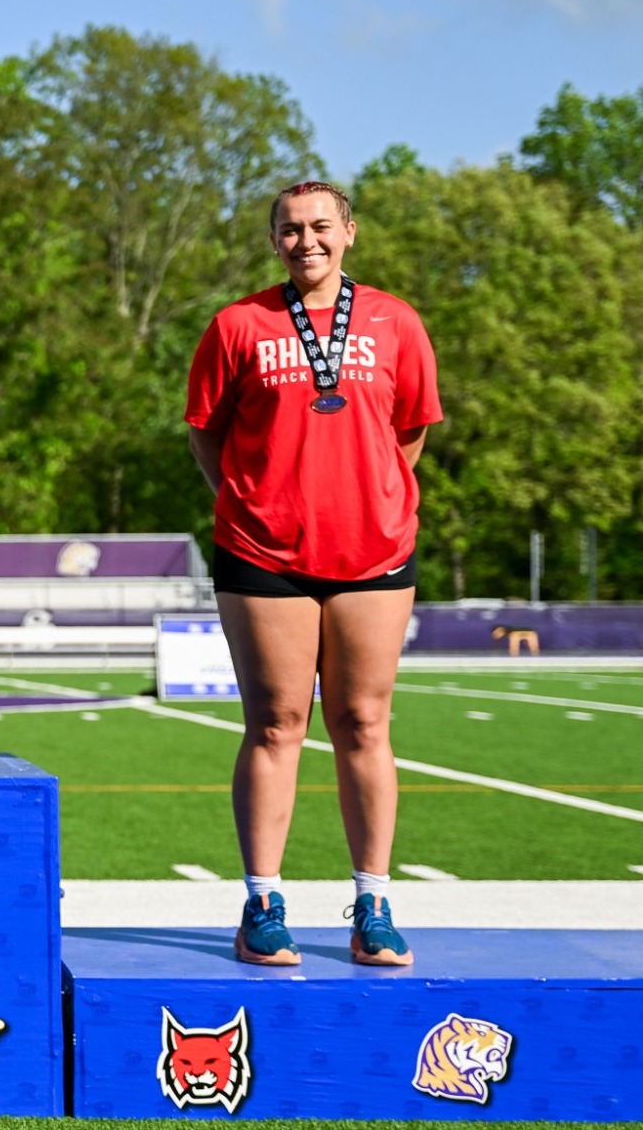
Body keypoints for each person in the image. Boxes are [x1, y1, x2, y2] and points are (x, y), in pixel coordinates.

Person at [185, 180, 441, 966]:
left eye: (321, 226)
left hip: (374, 554)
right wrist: (259, 501)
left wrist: (367, 499)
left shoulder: (396, 321)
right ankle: (262, 902)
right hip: (264, 552)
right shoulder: (237, 324)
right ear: (274, 241)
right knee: (274, 723)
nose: (307, 240)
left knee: (364, 724)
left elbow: (410, 432)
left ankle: (373, 901)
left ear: (350, 233)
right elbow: (206, 435)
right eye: (291, 229)